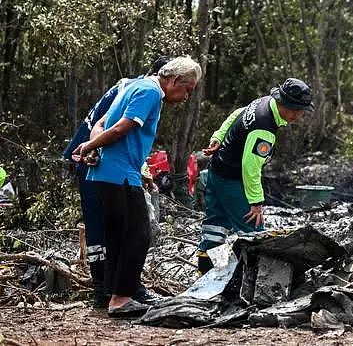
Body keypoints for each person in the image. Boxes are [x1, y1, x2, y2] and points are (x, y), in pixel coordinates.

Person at [72, 56, 202, 317]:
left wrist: (94, 148)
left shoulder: (134, 85)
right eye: (187, 90)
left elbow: (101, 124)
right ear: (175, 80)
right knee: (139, 233)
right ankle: (121, 299)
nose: (186, 97)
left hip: (107, 172)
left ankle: (113, 294)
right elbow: (120, 128)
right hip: (120, 174)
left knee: (118, 234)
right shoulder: (151, 92)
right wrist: (89, 147)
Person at [62, 56, 170, 308]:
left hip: (103, 157)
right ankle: (105, 289)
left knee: (121, 228)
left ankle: (118, 289)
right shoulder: (141, 90)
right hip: (92, 159)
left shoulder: (136, 88)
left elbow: (128, 141)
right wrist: (92, 150)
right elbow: (104, 126)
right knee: (111, 227)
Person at [197, 78, 314, 275]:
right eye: (296, 109)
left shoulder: (264, 102)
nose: (298, 115)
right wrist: (256, 202)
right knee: (254, 233)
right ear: (284, 104)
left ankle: (207, 274)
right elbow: (250, 167)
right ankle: (254, 278)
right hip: (232, 180)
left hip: (216, 171)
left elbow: (236, 114)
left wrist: (218, 136)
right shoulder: (264, 128)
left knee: (215, 226)